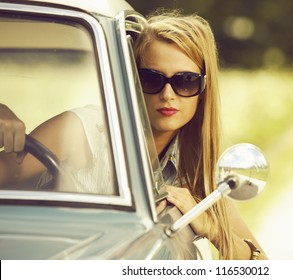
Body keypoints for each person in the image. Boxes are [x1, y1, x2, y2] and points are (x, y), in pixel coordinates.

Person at [0, 10, 267, 260]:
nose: (168, 95)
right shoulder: (83, 130)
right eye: (152, 79)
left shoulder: (195, 169)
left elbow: (261, 267)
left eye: (185, 81)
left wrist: (211, 227)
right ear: (133, 81)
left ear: (203, 88)